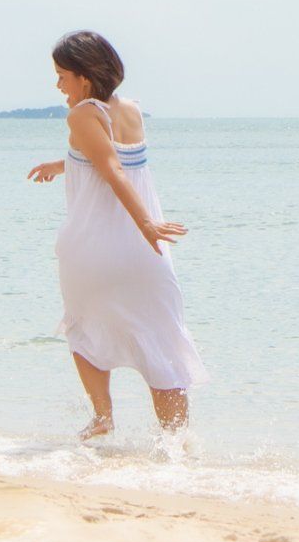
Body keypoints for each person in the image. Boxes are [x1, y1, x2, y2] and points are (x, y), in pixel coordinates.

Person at [28, 30, 207, 438]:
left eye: (62, 75)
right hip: (148, 253)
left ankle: (104, 417)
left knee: (83, 328)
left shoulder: (81, 114)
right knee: (161, 341)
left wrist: (145, 223)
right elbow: (108, 157)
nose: (58, 85)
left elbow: (111, 169)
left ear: (84, 79)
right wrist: (63, 164)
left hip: (95, 248)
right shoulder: (131, 111)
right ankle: (177, 445)